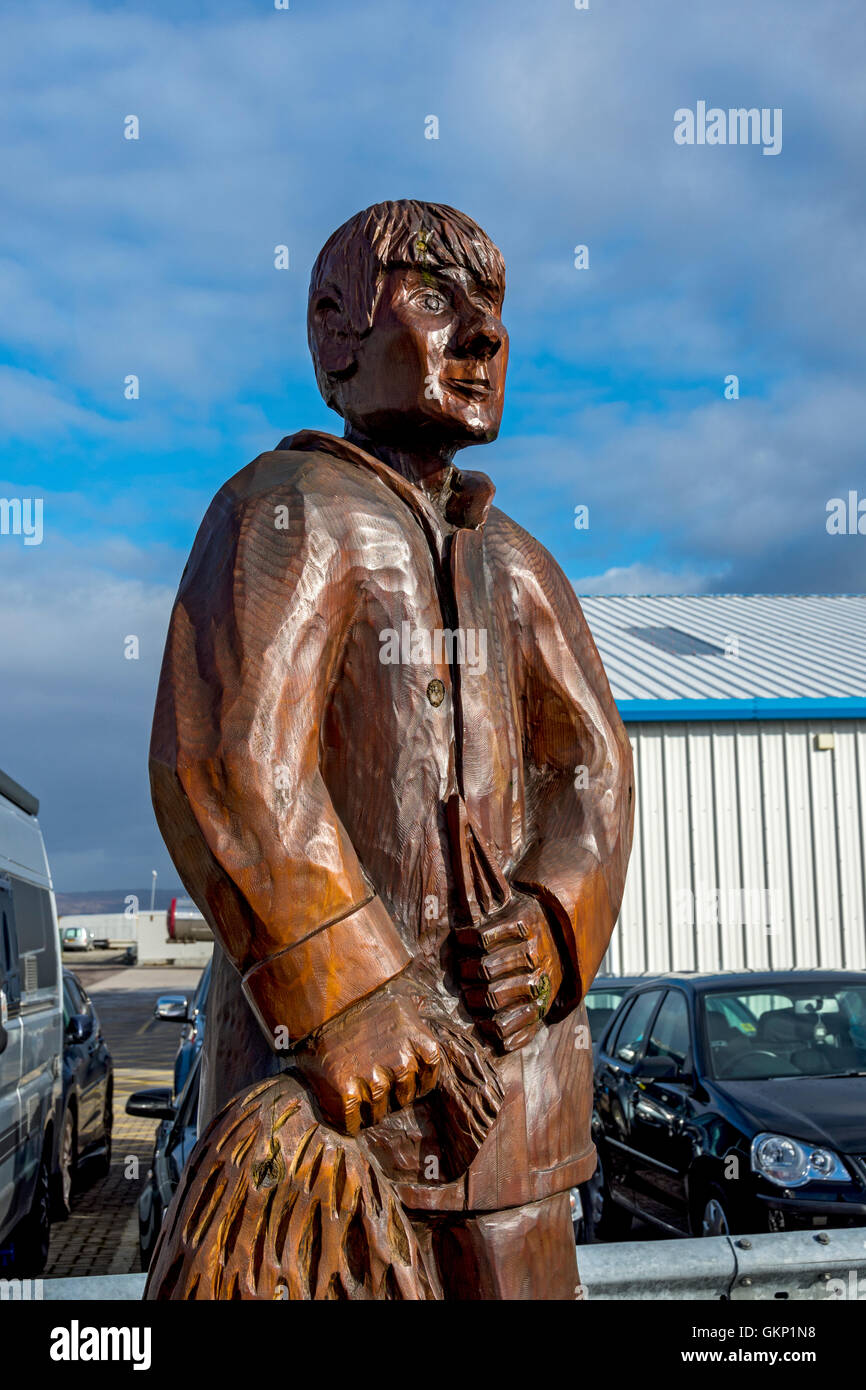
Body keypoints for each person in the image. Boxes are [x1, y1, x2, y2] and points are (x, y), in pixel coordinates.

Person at [149, 199, 634, 1299]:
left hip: (517, 1118)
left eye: (494, 311)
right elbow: (227, 760)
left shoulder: (519, 564)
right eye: (431, 299)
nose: (482, 337)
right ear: (334, 332)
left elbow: (594, 771)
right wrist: (358, 995)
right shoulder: (284, 512)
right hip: (331, 1127)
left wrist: (555, 928)